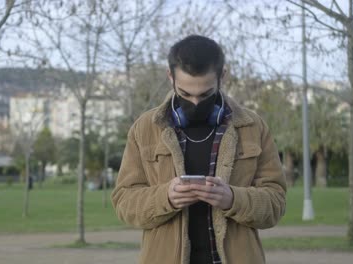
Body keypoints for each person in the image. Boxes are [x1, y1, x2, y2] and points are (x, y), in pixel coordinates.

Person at [111, 35, 287, 264]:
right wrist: (166, 197)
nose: (195, 103)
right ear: (170, 76)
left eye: (205, 94)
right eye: (185, 93)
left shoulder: (253, 127)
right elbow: (124, 202)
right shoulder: (144, 128)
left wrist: (233, 198)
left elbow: (276, 203)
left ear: (222, 76)